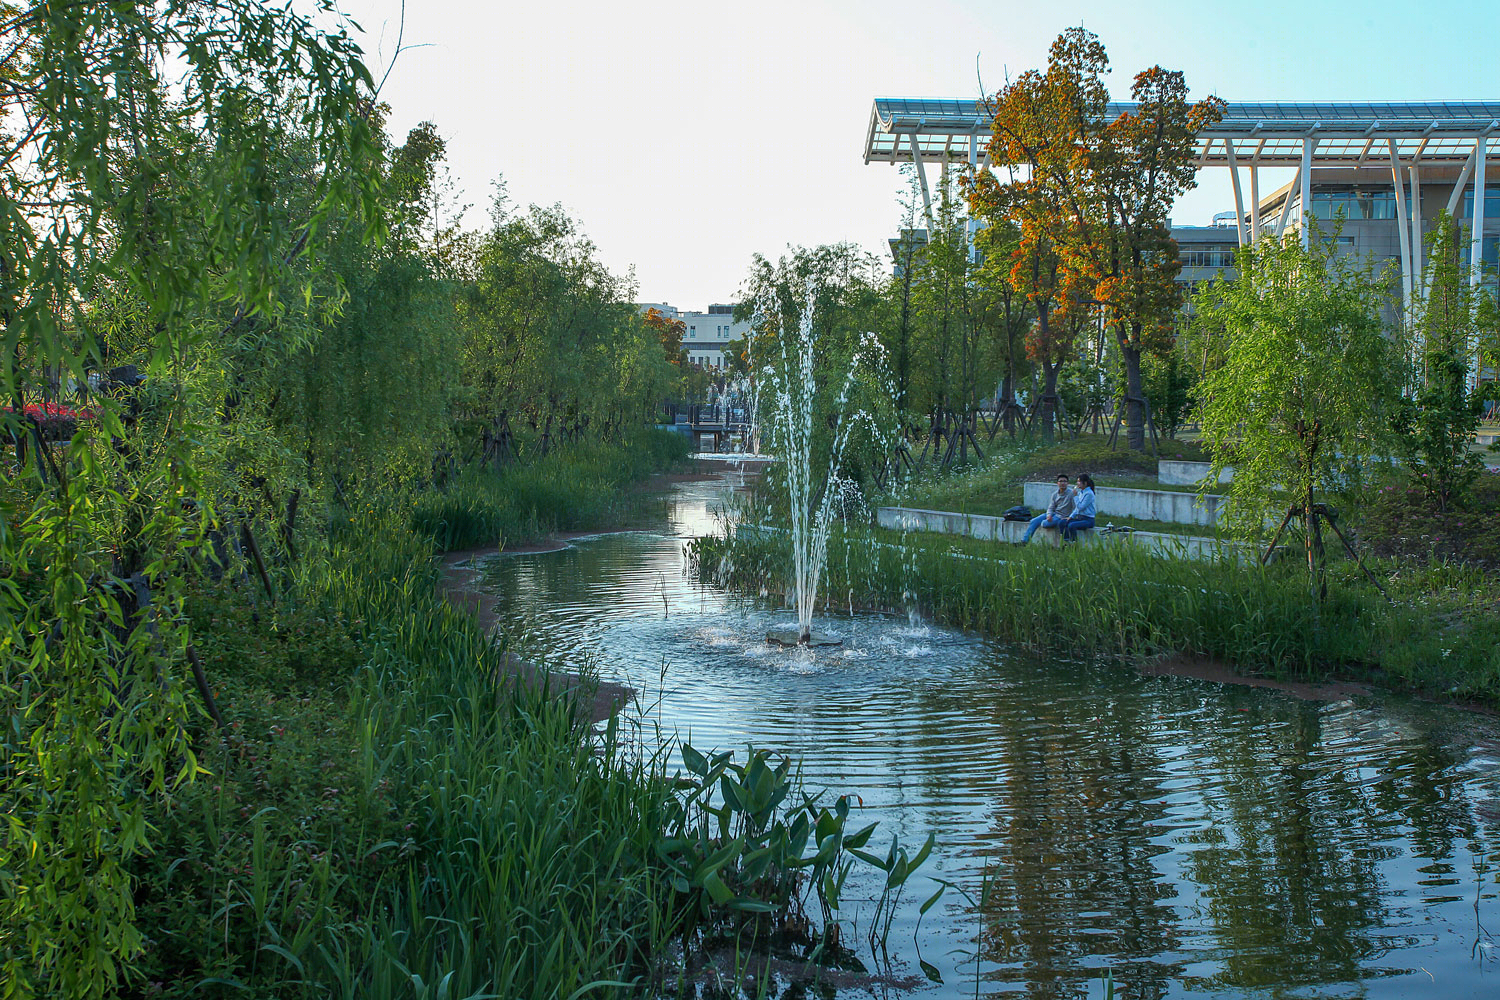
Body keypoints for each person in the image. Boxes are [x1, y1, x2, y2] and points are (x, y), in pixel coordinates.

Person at [1020, 474, 1074, 543]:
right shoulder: (1054, 494)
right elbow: (1051, 507)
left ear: (1067, 483)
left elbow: (1076, 507)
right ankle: (1024, 541)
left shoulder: (1071, 493)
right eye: (1060, 481)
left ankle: (1044, 522)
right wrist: (1049, 515)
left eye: (1065, 481)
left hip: (1062, 516)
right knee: (1034, 521)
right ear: (1057, 483)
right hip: (1054, 514)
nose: (1062, 483)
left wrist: (1070, 517)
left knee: (1045, 524)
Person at [1062, 473, 1096, 541]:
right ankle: (1065, 541)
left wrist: (1075, 496)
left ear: (1085, 483)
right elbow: (1077, 508)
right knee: (1062, 522)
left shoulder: (1089, 494)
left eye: (1079, 481)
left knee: (1072, 525)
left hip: (1088, 519)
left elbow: (1081, 507)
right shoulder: (1081, 492)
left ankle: (1073, 542)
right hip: (1080, 517)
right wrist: (1071, 516)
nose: (1077, 483)